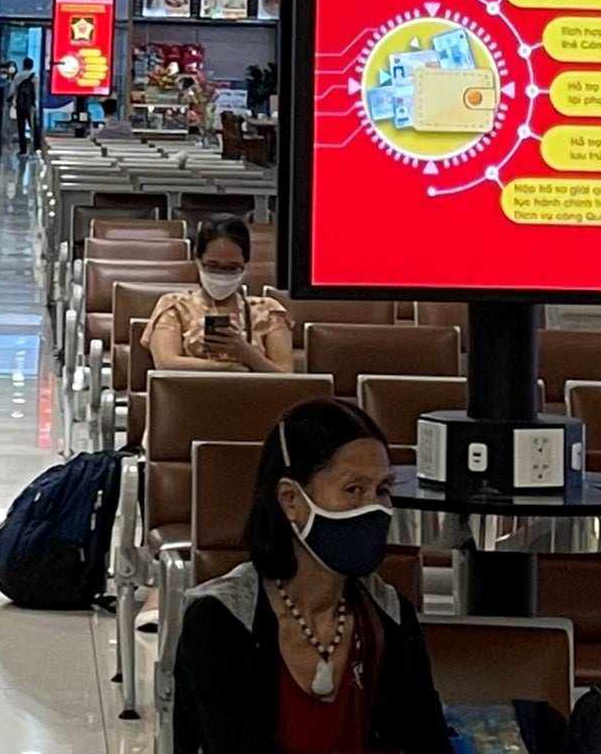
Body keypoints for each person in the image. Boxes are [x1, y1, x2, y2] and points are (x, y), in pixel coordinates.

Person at [172, 398, 448, 754]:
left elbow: (427, 743)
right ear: (291, 500)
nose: (375, 508)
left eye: (382, 490)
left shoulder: (389, 618)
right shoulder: (220, 623)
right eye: (354, 490)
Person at [147, 216, 293, 375]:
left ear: (245, 265)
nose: (222, 275)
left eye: (232, 268)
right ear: (198, 261)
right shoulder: (174, 306)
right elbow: (166, 363)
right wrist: (228, 369)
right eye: (213, 266)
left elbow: (285, 375)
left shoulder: (269, 311)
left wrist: (247, 354)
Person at [13, 59, 38, 154]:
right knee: (33, 125)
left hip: (20, 104)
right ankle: (36, 147)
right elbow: (36, 91)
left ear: (23, 65)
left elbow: (13, 90)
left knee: (21, 127)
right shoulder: (35, 76)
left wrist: (13, 102)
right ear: (32, 65)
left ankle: (22, 149)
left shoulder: (18, 76)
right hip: (31, 105)